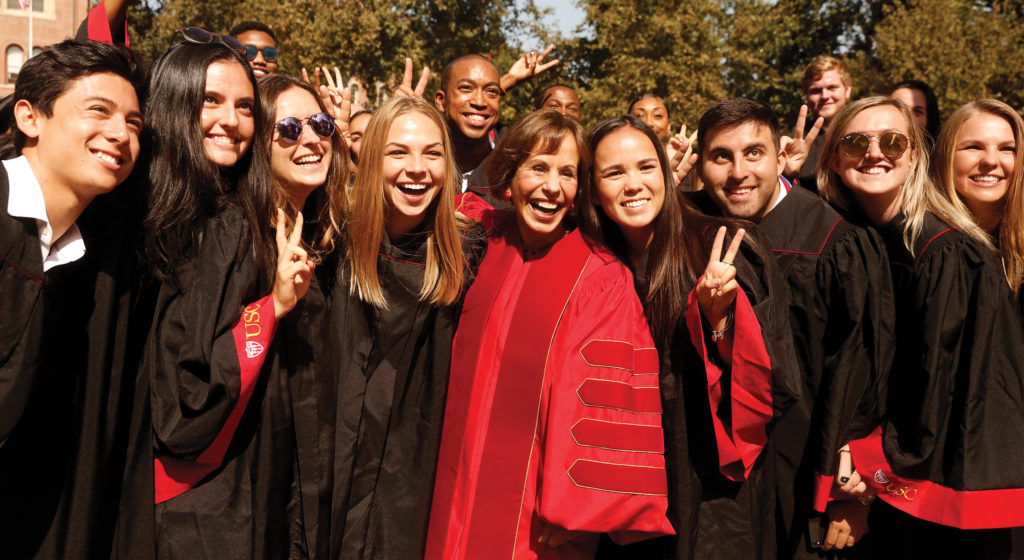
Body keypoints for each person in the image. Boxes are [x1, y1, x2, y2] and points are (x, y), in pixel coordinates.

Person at [426, 110, 675, 559]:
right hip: (452, 491)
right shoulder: (480, 242)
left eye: (567, 174)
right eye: (538, 168)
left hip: (538, 520)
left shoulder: (602, 279)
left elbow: (613, 409)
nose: (552, 187)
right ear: (509, 178)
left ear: (579, 193)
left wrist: (584, 510)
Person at [116, 35, 315, 559]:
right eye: (212, 100)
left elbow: (193, 396)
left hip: (195, 491)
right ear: (175, 99)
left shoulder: (225, 224)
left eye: (246, 106)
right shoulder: (146, 205)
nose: (232, 120)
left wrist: (272, 308)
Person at [582, 115, 802, 560]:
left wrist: (716, 318)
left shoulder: (721, 245)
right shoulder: (587, 259)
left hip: (708, 485)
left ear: (666, 172)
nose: (633, 184)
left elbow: (769, 383)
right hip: (620, 483)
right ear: (593, 186)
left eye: (646, 167)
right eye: (614, 172)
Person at [687, 98, 894, 557]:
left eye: (754, 153)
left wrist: (856, 494)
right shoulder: (686, 227)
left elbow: (864, 379)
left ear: (781, 156)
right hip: (716, 489)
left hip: (807, 476)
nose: (739, 171)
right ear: (700, 164)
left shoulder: (836, 241)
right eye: (722, 156)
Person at [819, 96, 1024, 558]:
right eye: (855, 142)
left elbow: (937, 388)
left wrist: (869, 476)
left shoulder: (947, 252)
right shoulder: (860, 239)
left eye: (893, 141)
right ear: (833, 157)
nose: (875, 153)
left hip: (939, 498)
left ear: (915, 155)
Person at [0, 39, 146, 560]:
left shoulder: (77, 262)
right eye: (99, 111)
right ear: (29, 117)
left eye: (133, 122)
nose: (119, 133)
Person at [326, 96, 477, 559]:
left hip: (412, 477)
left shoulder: (469, 252)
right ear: (371, 159)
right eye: (398, 152)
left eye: (432, 153)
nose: (417, 169)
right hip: (328, 465)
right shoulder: (329, 238)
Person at [257, 72, 349, 558]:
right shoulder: (234, 234)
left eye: (319, 124)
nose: (310, 139)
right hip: (254, 482)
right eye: (289, 129)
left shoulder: (329, 236)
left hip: (315, 473)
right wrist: (270, 303)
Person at [434, 48, 559, 202]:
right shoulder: (420, 158)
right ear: (441, 101)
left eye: (491, 91)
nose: (479, 102)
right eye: (466, 88)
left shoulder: (518, 159)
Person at [784, 55, 853, 191]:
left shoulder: (868, 133)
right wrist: (786, 175)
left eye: (832, 88)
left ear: (848, 90)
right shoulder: (790, 142)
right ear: (806, 95)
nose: (825, 96)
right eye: (816, 90)